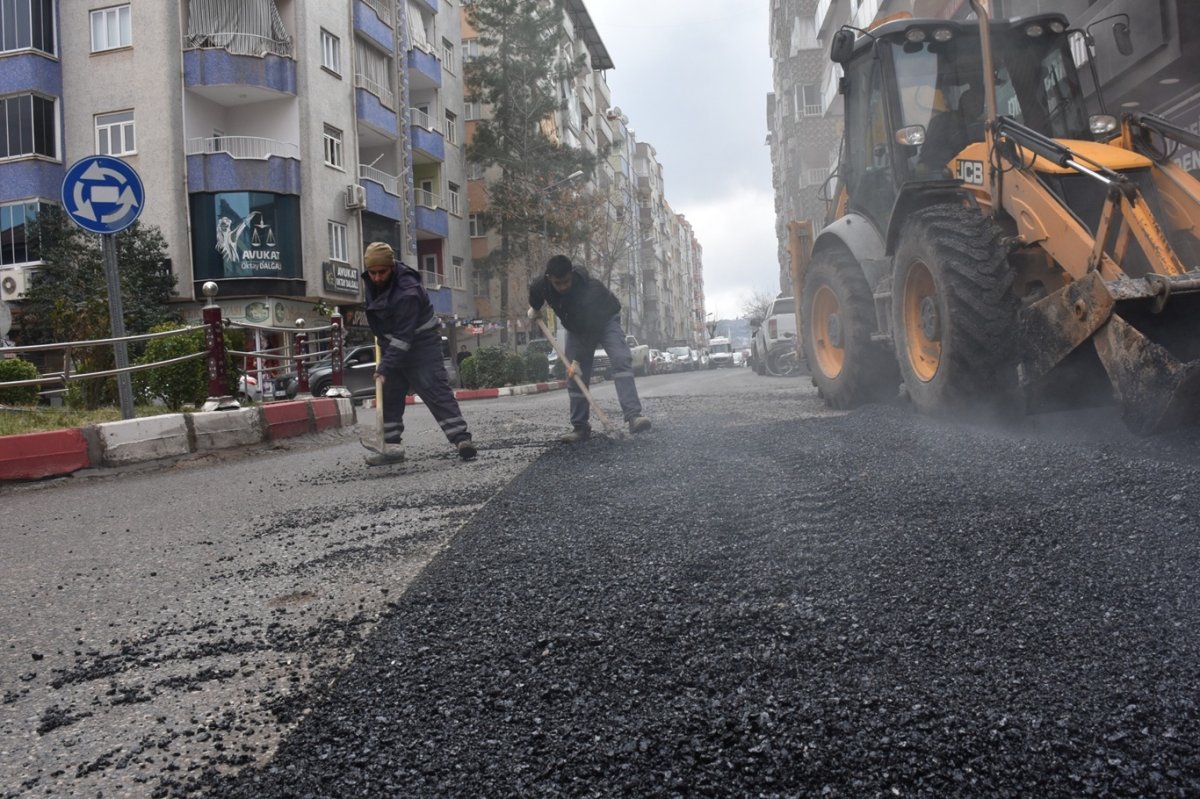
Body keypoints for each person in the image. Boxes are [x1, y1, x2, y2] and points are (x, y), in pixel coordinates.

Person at [362, 241, 476, 461]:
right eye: (372, 272)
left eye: (381, 272)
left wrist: (384, 366)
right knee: (389, 395)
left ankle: (462, 439)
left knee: (435, 389)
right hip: (392, 343)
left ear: (392, 267)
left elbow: (404, 337)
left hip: (420, 345)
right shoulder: (372, 281)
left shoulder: (408, 291)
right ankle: (390, 447)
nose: (376, 278)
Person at [528, 254, 651, 443]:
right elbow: (535, 296)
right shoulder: (541, 285)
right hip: (577, 328)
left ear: (572, 275)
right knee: (575, 376)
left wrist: (576, 360)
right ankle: (580, 427)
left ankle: (634, 416)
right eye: (557, 283)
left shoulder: (590, 289)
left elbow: (591, 330)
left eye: (566, 281)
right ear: (549, 279)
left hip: (604, 319)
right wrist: (534, 309)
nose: (563, 287)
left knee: (620, 359)